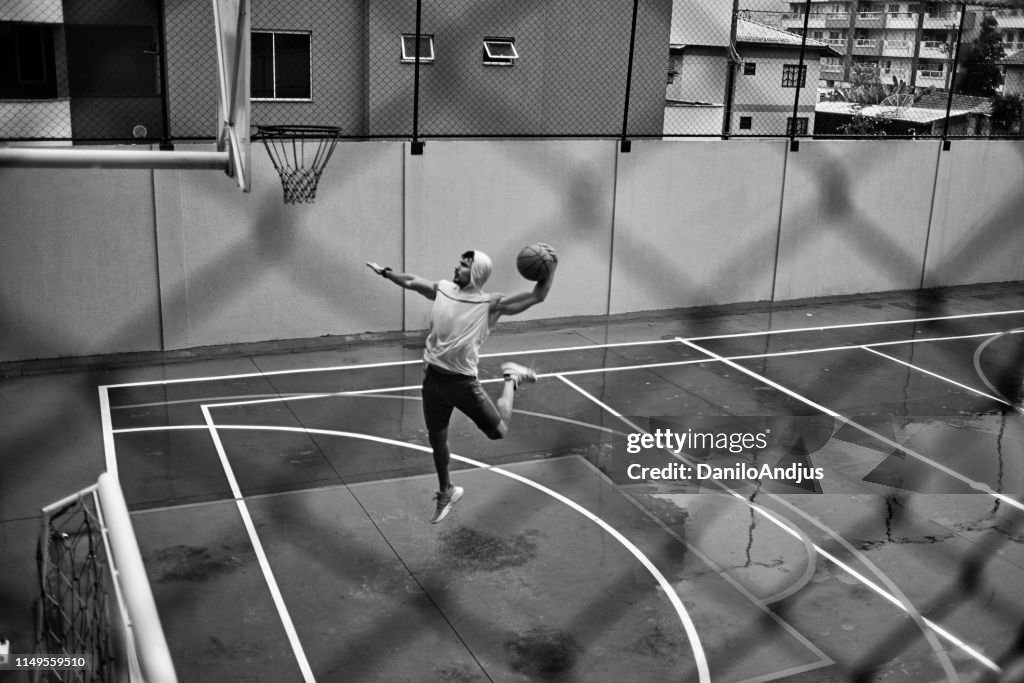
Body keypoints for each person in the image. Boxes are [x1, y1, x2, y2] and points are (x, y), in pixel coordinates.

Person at [366, 246, 558, 522]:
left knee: (499, 432)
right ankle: (447, 490)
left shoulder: (491, 304)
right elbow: (412, 281)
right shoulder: (443, 289)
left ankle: (511, 379)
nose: (457, 267)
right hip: (432, 379)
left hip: (463, 383)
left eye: (464, 265)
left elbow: (537, 295)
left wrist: (551, 267)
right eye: (459, 263)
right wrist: (386, 272)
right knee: (436, 439)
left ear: (476, 272)